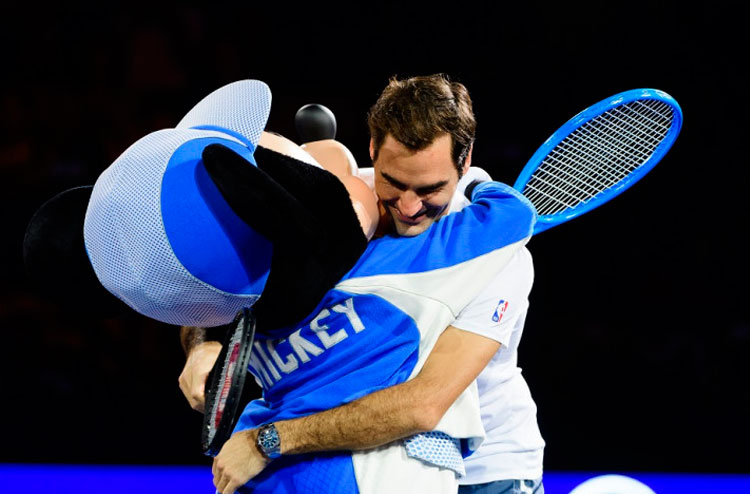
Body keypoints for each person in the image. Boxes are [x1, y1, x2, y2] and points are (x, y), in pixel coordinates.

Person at [181, 75, 545, 494]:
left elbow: (423, 403)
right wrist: (203, 343)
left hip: (486, 470)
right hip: (346, 448)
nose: (409, 207)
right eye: (394, 182)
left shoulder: (496, 257)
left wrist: (268, 441)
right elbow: (225, 277)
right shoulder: (332, 202)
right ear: (372, 149)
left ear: (464, 165)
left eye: (430, 190)